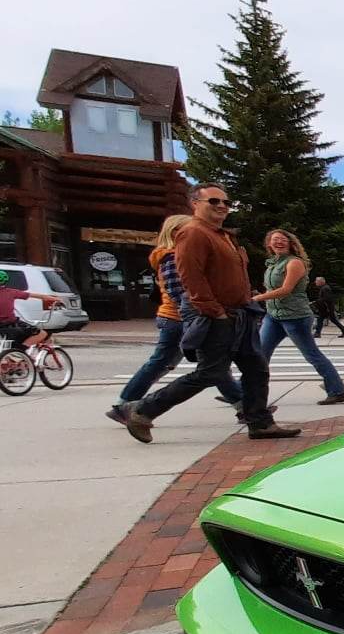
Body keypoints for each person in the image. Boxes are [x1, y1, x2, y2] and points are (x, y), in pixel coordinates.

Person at [110, 184, 298, 443]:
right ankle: (142, 410)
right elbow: (191, 276)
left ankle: (260, 423)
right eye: (214, 201)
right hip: (217, 315)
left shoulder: (222, 236)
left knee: (256, 368)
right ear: (195, 204)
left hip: (239, 313)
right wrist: (214, 311)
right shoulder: (193, 233)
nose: (221, 206)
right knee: (210, 373)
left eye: (226, 202)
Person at [110, 215, 247, 415]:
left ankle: (244, 406)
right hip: (179, 319)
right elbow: (179, 293)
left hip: (182, 318)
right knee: (203, 366)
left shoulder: (177, 254)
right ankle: (127, 406)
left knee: (205, 366)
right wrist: (203, 314)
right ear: (176, 232)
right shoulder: (171, 257)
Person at [253, 230, 344, 405]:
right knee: (259, 354)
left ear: (291, 243)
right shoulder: (273, 264)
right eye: (275, 240)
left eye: (283, 239)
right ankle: (241, 392)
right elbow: (271, 289)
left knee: (311, 354)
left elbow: (286, 290)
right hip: (273, 316)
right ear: (269, 244)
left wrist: (257, 298)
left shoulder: (294, 263)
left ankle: (337, 390)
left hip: (295, 317)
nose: (279, 242)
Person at [0, 269, 65, 352]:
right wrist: (55, 299)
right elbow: (37, 296)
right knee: (42, 334)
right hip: (10, 325)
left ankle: (15, 352)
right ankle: (20, 352)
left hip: (5, 328)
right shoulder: (11, 292)